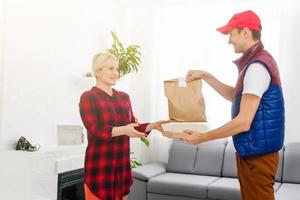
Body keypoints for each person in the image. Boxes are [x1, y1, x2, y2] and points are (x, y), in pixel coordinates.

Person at [184, 10, 284, 200]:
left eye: (231, 33)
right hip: (253, 153)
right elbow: (237, 97)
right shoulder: (254, 63)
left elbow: (243, 122)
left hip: (258, 157)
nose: (229, 40)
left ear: (245, 32)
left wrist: (202, 137)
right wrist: (207, 76)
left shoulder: (257, 67)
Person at [79, 52, 165, 200]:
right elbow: (95, 130)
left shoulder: (124, 97)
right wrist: (125, 130)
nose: (116, 73)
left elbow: (132, 126)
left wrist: (153, 125)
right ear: (98, 71)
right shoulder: (88, 97)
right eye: (111, 68)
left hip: (121, 170)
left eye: (116, 69)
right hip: (100, 168)